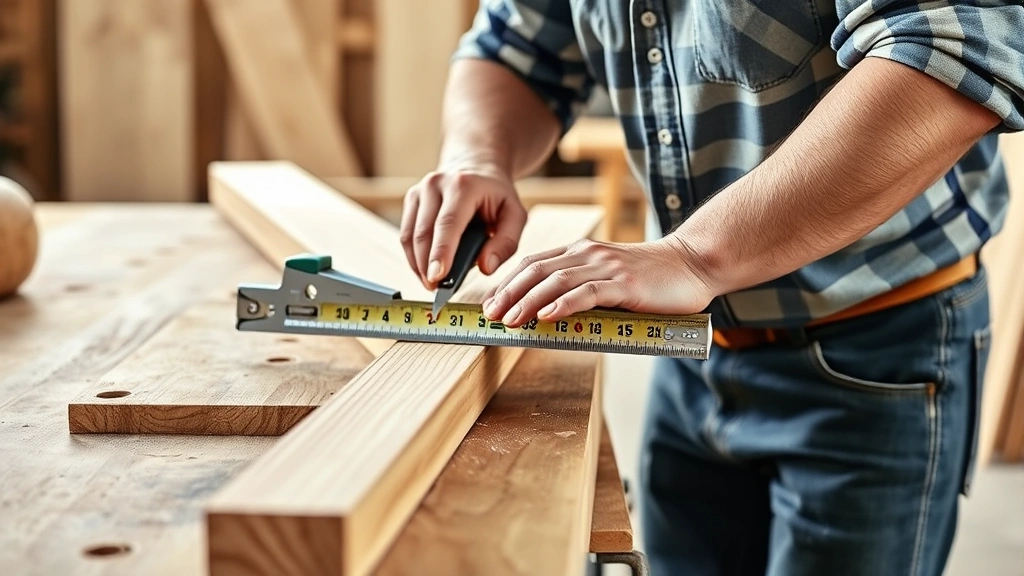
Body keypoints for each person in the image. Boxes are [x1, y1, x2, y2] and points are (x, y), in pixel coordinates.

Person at [398, 1, 1024, 574]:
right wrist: (476, 156)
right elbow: (518, 47)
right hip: (693, 346)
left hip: (873, 348)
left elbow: (950, 53)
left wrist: (696, 257)